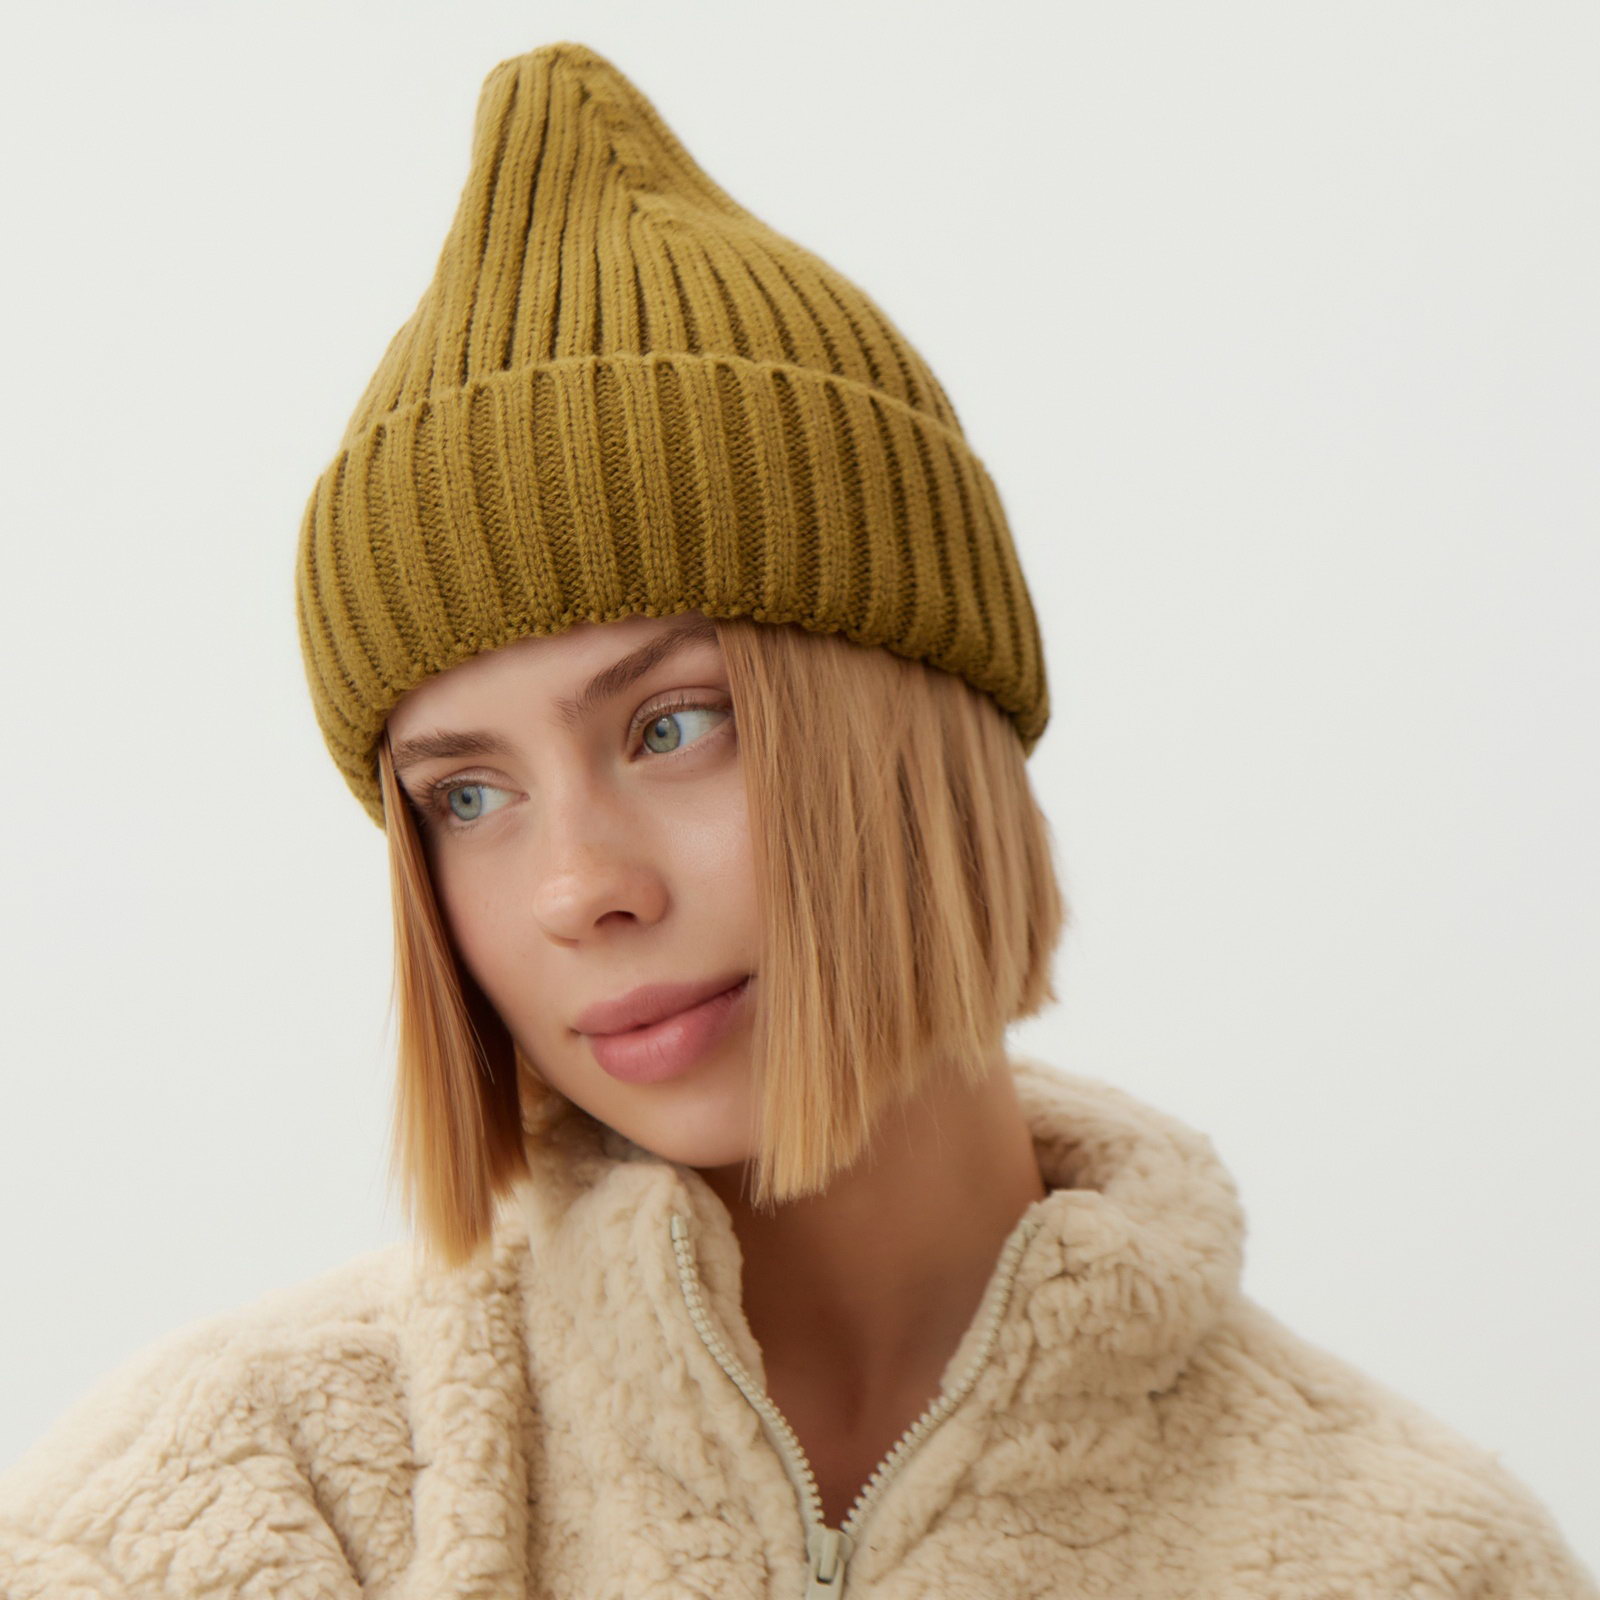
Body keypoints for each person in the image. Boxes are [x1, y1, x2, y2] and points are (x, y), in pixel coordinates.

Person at [0, 39, 1591, 1600]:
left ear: (926, 723)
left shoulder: (1412, 1563)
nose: (577, 887)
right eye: (467, 796)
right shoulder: (225, 1514)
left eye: (676, 724)